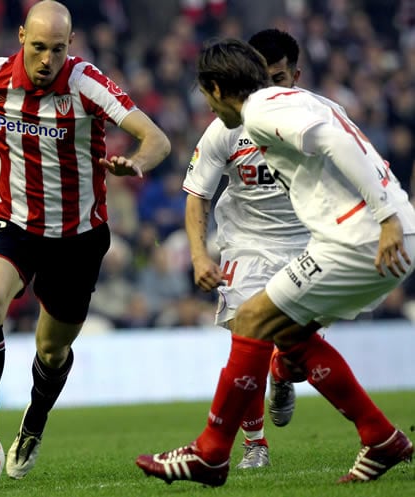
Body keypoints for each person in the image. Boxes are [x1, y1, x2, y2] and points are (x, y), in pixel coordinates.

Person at [0, 0, 170, 479]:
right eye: (39, 47)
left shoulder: (87, 84)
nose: (47, 59)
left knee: (51, 351)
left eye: (58, 49)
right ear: (21, 37)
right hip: (12, 220)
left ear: (71, 46)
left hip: (77, 235)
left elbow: (157, 139)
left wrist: (139, 163)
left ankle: (35, 421)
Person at [136, 38, 415, 486]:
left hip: (362, 238)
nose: (208, 109)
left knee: (251, 321)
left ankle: (210, 453)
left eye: (206, 97)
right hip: (356, 235)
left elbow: (331, 140)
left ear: (216, 88)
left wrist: (385, 217)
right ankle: (380, 436)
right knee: (283, 332)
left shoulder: (263, 112)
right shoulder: (294, 101)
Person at [183, 29, 310, 469]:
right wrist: (201, 256)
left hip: (306, 242)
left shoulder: (316, 117)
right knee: (246, 338)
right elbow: (197, 193)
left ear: (296, 74)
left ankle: (283, 370)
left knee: (299, 350)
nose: (268, 88)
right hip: (247, 245)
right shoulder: (226, 128)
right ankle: (255, 444)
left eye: (278, 77)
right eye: (260, 76)